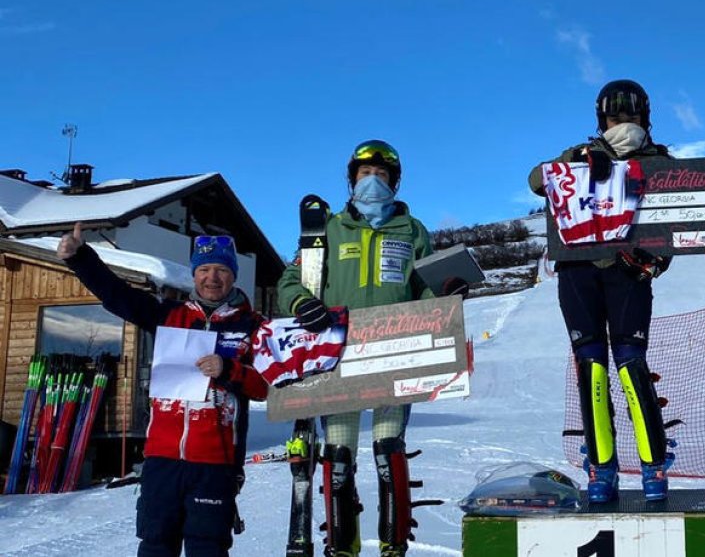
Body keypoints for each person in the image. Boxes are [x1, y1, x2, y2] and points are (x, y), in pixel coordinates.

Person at [276, 139, 466, 557]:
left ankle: (393, 544)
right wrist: (301, 302)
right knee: (338, 455)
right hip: (339, 356)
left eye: (381, 174)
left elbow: (425, 292)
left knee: (387, 450)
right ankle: (343, 545)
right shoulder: (327, 228)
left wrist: (449, 294)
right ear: (352, 178)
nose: (373, 181)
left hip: (395, 353)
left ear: (394, 181)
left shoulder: (412, 230)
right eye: (365, 174)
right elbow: (289, 281)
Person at [57, 224, 267, 557]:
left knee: (208, 548)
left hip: (215, 463)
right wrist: (80, 258)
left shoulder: (253, 326)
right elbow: (118, 296)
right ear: (194, 274)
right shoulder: (170, 315)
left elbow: (264, 387)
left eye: (222, 270)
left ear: (233, 276)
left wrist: (229, 370)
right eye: (204, 269)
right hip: (162, 460)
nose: (212, 278)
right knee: (155, 544)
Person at [528, 79, 675, 503]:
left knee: (631, 366)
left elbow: (682, 219)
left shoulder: (660, 162)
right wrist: (575, 158)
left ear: (645, 119)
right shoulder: (583, 154)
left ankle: (653, 466)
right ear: (602, 121)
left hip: (629, 274)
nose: (623, 125)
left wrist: (656, 260)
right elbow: (537, 179)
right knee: (591, 370)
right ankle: (601, 465)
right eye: (615, 118)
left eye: (631, 117)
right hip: (579, 273)